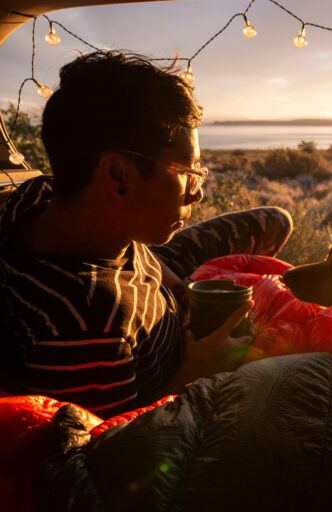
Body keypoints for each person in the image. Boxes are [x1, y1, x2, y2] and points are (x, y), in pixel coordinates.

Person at [0, 51, 293, 418]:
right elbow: (114, 447)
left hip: (158, 273)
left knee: (275, 220)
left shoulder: (42, 196)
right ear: (119, 175)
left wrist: (178, 287)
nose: (197, 192)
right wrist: (197, 373)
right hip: (172, 374)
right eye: (186, 170)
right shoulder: (85, 327)